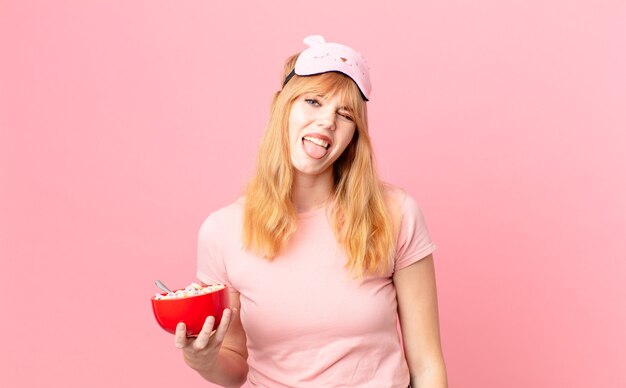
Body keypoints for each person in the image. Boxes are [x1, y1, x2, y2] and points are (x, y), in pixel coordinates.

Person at [174, 35, 448, 388]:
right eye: (313, 102)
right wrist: (203, 359)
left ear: (354, 135)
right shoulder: (222, 231)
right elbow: (234, 364)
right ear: (282, 108)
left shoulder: (395, 213)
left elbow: (427, 366)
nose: (327, 122)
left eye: (344, 114)